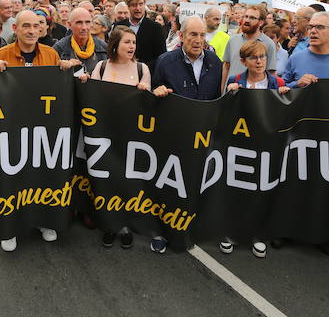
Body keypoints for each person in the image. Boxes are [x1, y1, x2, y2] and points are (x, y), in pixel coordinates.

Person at [0, 10, 62, 252]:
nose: (31, 31)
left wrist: (71, 68)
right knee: (12, 176)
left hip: (43, 127)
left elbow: (62, 86)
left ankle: (44, 221)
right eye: (26, 26)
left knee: (42, 173)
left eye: (35, 26)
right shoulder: (2, 54)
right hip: (13, 127)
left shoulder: (51, 54)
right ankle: (10, 228)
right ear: (16, 30)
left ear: (42, 29)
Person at [146, 16, 221, 254]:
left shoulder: (214, 61)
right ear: (181, 36)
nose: (199, 40)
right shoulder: (165, 61)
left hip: (202, 138)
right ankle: (160, 231)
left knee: (196, 184)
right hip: (173, 136)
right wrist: (155, 91)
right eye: (193, 35)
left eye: (202, 35)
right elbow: (152, 94)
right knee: (168, 186)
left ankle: (189, 228)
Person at [221, 40, 289, 260]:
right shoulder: (235, 81)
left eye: (262, 57)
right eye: (253, 58)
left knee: (262, 189)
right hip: (240, 145)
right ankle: (231, 231)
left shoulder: (276, 82)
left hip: (268, 147)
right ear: (243, 61)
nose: (259, 61)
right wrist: (229, 94)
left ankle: (258, 234)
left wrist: (286, 95)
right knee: (237, 188)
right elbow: (224, 112)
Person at [89, 26, 152, 249]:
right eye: (127, 42)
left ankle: (125, 226)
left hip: (131, 137)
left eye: (134, 42)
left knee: (127, 181)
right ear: (115, 44)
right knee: (107, 181)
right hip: (105, 135)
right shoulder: (102, 66)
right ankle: (109, 224)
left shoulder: (143, 69)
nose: (131, 46)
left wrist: (146, 92)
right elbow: (92, 98)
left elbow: (148, 106)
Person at [282, 12, 329, 90]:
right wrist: (297, 84)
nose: (313, 31)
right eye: (310, 27)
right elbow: (282, 89)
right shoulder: (294, 59)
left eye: (319, 27)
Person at [222, 5, 277, 90]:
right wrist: (223, 92)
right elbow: (226, 66)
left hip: (257, 96)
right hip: (232, 95)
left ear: (261, 22)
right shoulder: (233, 40)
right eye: (246, 16)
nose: (247, 20)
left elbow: (271, 73)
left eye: (252, 18)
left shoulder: (269, 44)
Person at [114, 0, 166, 73]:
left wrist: (142, 69)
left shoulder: (155, 28)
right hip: (121, 73)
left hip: (147, 75)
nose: (138, 8)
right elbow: (114, 51)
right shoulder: (119, 26)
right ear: (128, 6)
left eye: (140, 4)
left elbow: (161, 57)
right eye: (134, 5)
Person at [53, 7, 108, 74]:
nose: (84, 27)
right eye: (79, 23)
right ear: (69, 25)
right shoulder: (59, 48)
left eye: (87, 22)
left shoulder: (103, 48)